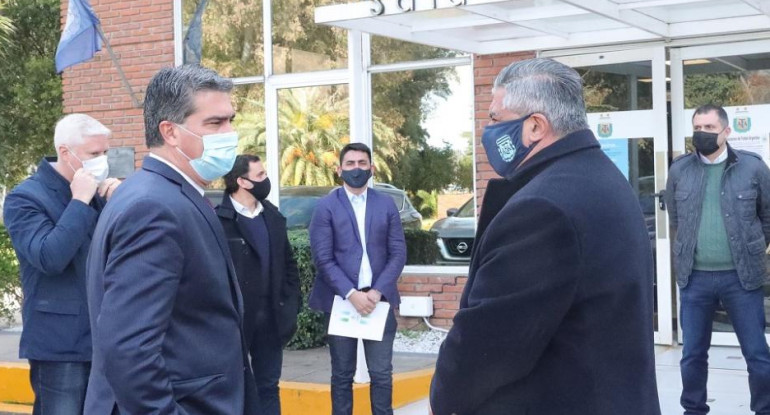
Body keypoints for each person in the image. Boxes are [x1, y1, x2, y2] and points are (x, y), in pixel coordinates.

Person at [429, 58, 661, 415]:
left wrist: (444, 399)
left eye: (495, 118)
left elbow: (490, 342)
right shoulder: (601, 178)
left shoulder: (542, 208)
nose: (488, 129)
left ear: (535, 126)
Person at [84, 65, 258, 415]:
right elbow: (129, 349)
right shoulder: (153, 206)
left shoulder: (161, 193)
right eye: (214, 123)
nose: (230, 133)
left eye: (230, 121)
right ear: (170, 132)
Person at [3, 113, 119, 415]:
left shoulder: (98, 193)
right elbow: (49, 257)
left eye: (105, 152)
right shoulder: (25, 198)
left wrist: (121, 202)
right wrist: (79, 202)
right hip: (60, 345)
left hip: (107, 338)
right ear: (65, 153)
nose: (102, 160)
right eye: (94, 154)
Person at [665, 104, 770, 415]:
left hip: (741, 278)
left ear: (726, 131)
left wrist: (752, 248)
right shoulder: (679, 170)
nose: (702, 133)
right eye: (698, 127)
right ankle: (693, 409)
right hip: (695, 278)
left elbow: (768, 216)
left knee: (757, 353)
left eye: (710, 128)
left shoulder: (753, 168)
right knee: (693, 354)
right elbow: (676, 217)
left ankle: (764, 408)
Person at [308, 142, 406, 415]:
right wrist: (352, 294)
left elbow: (397, 253)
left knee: (382, 374)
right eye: (350, 164)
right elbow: (323, 259)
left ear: (372, 168)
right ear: (339, 170)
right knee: (341, 375)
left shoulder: (385, 204)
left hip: (379, 301)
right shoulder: (326, 207)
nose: (357, 169)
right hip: (342, 302)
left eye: (362, 163)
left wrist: (375, 293)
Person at [216, 154, 301, 415]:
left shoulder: (272, 217)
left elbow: (288, 265)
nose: (266, 180)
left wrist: (292, 305)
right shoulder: (219, 221)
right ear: (242, 181)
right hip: (234, 325)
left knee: (268, 387)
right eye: (260, 175)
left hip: (271, 321)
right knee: (235, 389)